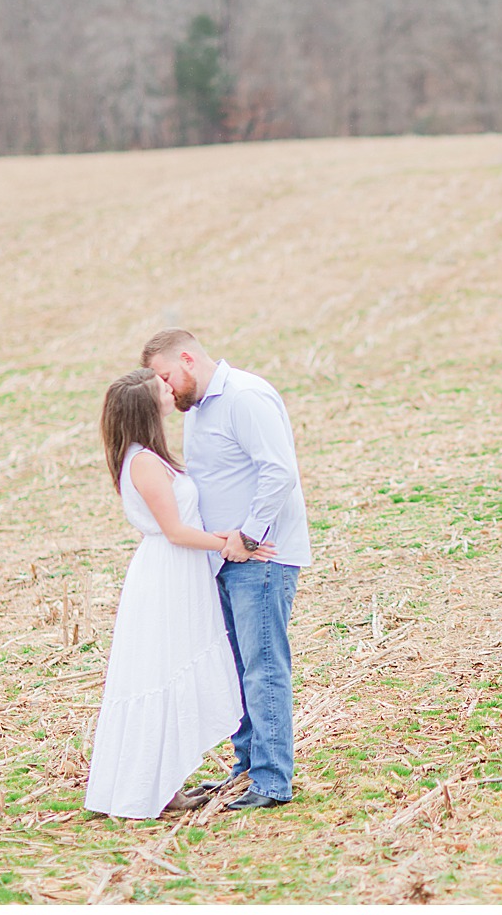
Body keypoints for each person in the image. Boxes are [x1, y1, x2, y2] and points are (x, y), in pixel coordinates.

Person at [85, 368, 271, 819]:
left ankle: (162, 783)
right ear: (147, 407)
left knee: (169, 670)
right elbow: (174, 531)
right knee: (161, 673)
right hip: (166, 574)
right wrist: (233, 543)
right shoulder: (144, 461)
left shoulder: (147, 455)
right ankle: (148, 787)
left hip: (178, 573)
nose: (171, 389)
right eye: (161, 389)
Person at [141, 329, 310, 812]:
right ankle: (247, 767)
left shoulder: (245, 397)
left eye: (167, 376)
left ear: (188, 360)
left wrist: (248, 535)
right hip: (224, 558)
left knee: (263, 668)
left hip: (260, 556)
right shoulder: (198, 410)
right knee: (237, 668)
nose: (165, 389)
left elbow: (279, 470)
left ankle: (273, 781)